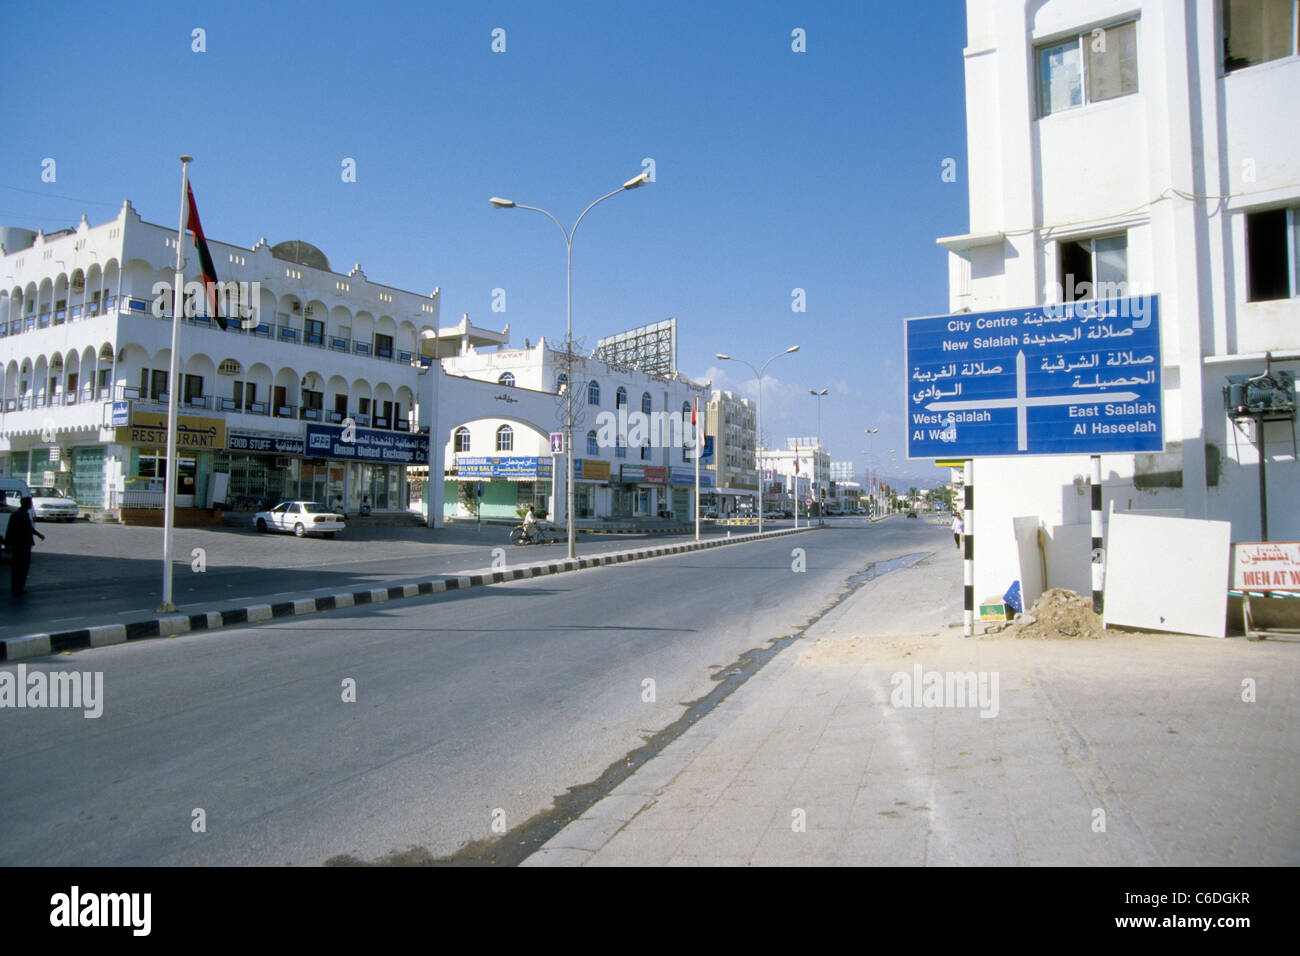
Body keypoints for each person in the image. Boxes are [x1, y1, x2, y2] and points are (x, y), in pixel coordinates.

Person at [7, 496, 43, 596]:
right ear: (27, 504)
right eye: (30, 503)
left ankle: (19, 587)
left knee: (21, 567)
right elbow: (11, 530)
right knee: (20, 568)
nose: (31, 505)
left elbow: (29, 528)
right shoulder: (18, 515)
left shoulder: (22, 514)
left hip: (23, 545)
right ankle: (17, 588)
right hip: (20, 545)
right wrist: (8, 545)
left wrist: (38, 534)